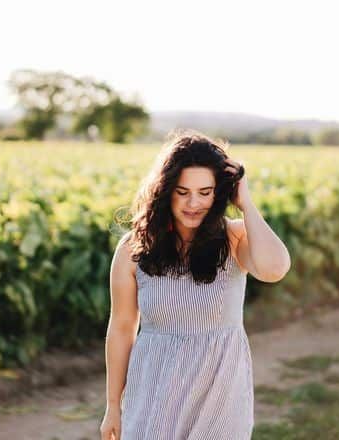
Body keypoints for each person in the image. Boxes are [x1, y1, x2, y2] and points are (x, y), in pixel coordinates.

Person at [100, 129, 291, 440]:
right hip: (154, 394)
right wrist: (113, 405)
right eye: (182, 191)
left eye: (205, 192)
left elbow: (275, 269)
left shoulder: (235, 238)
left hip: (220, 399)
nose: (193, 203)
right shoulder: (133, 249)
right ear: (165, 191)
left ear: (220, 193)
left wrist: (246, 203)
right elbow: (122, 328)